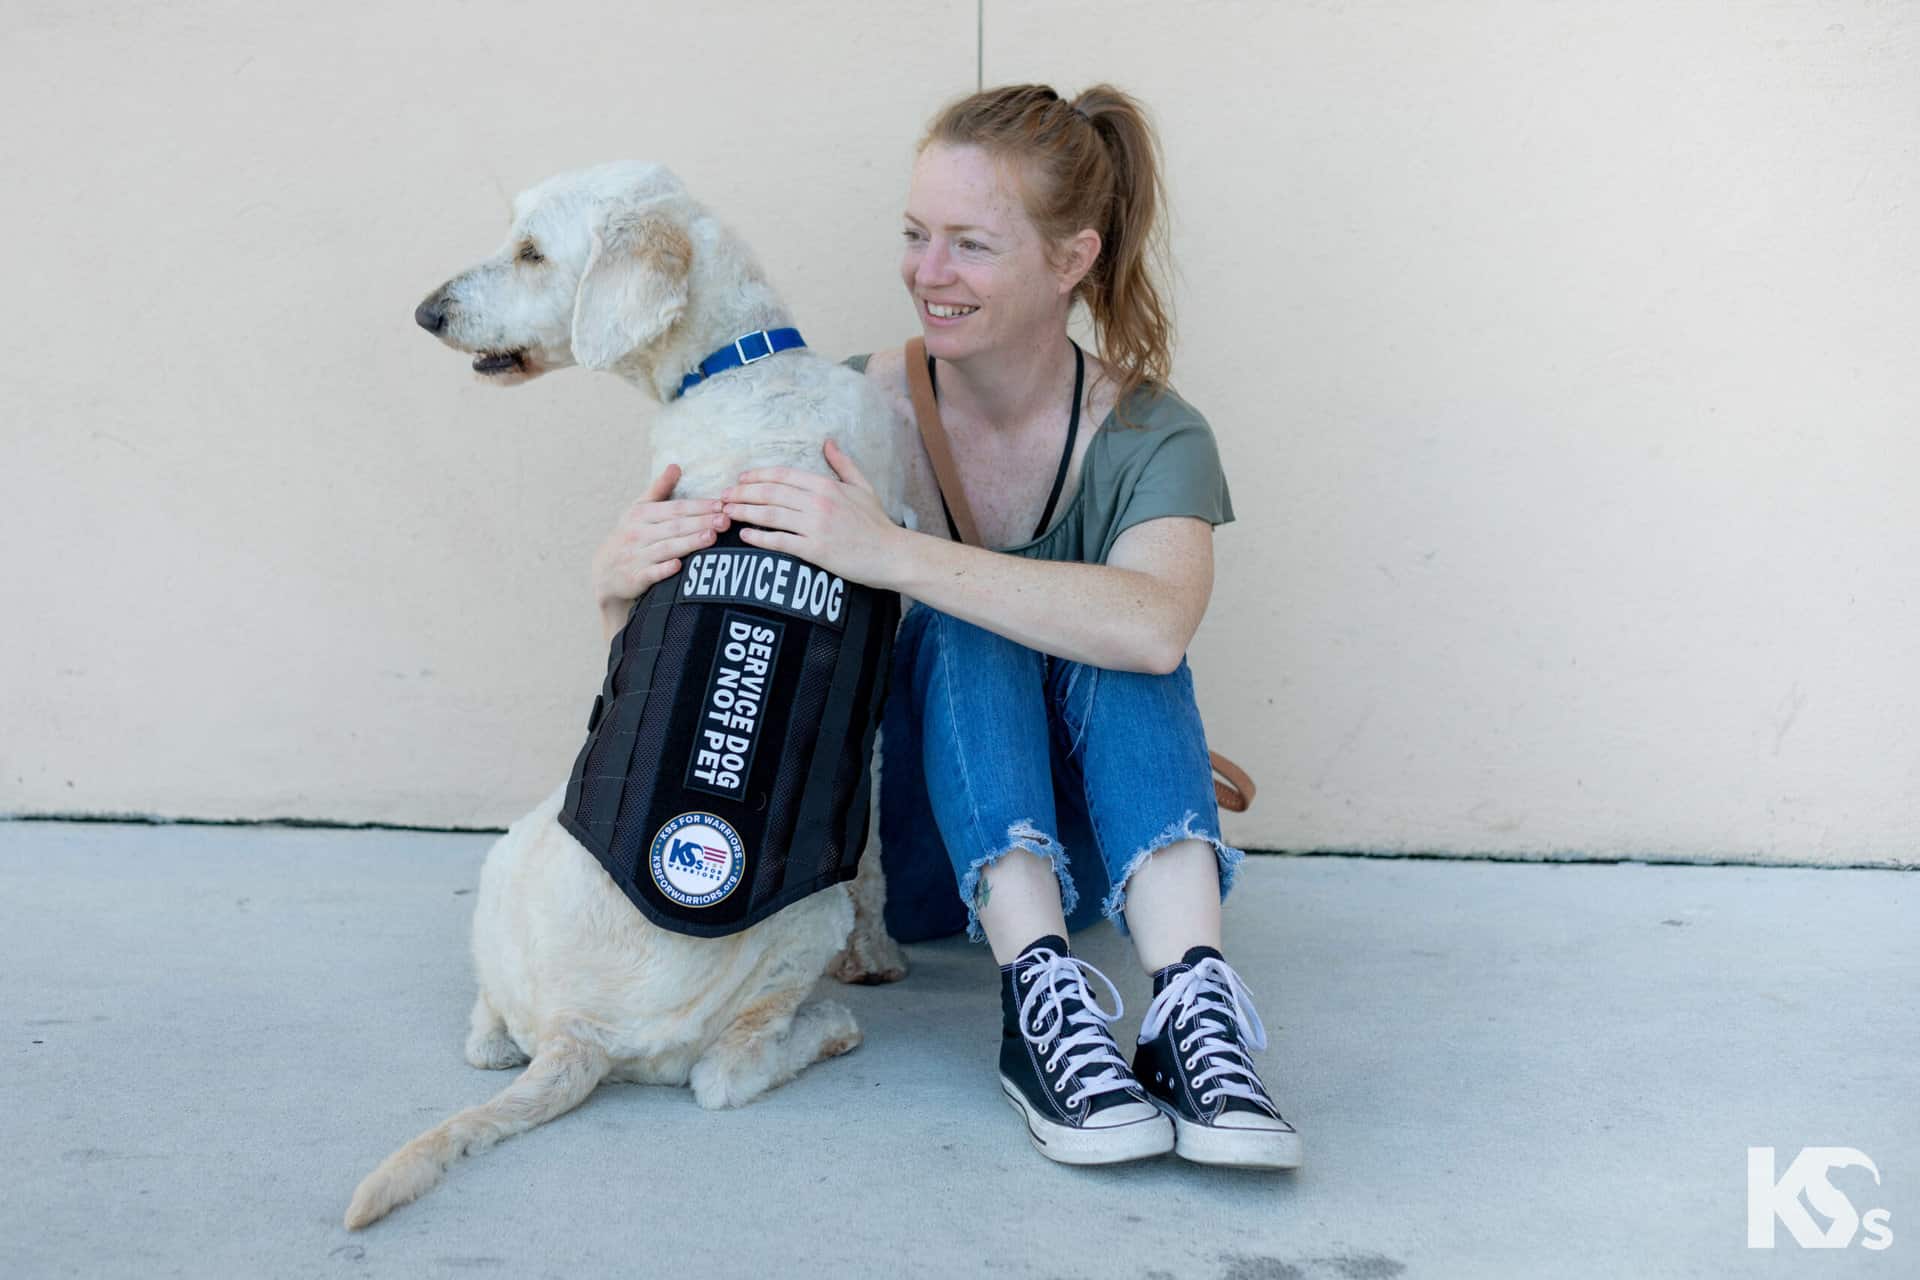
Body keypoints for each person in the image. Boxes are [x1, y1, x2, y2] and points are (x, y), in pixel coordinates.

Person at [590, 84, 1300, 1170]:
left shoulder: (1156, 432)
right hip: (911, 856)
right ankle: (1039, 1006)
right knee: (977, 621)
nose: (928, 273)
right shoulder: (844, 413)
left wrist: (896, 553)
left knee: (1123, 630)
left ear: (1072, 258)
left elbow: (1156, 628)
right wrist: (617, 588)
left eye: (970, 243)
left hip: (1107, 853)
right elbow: (726, 660)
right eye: (916, 236)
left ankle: (1191, 1010)